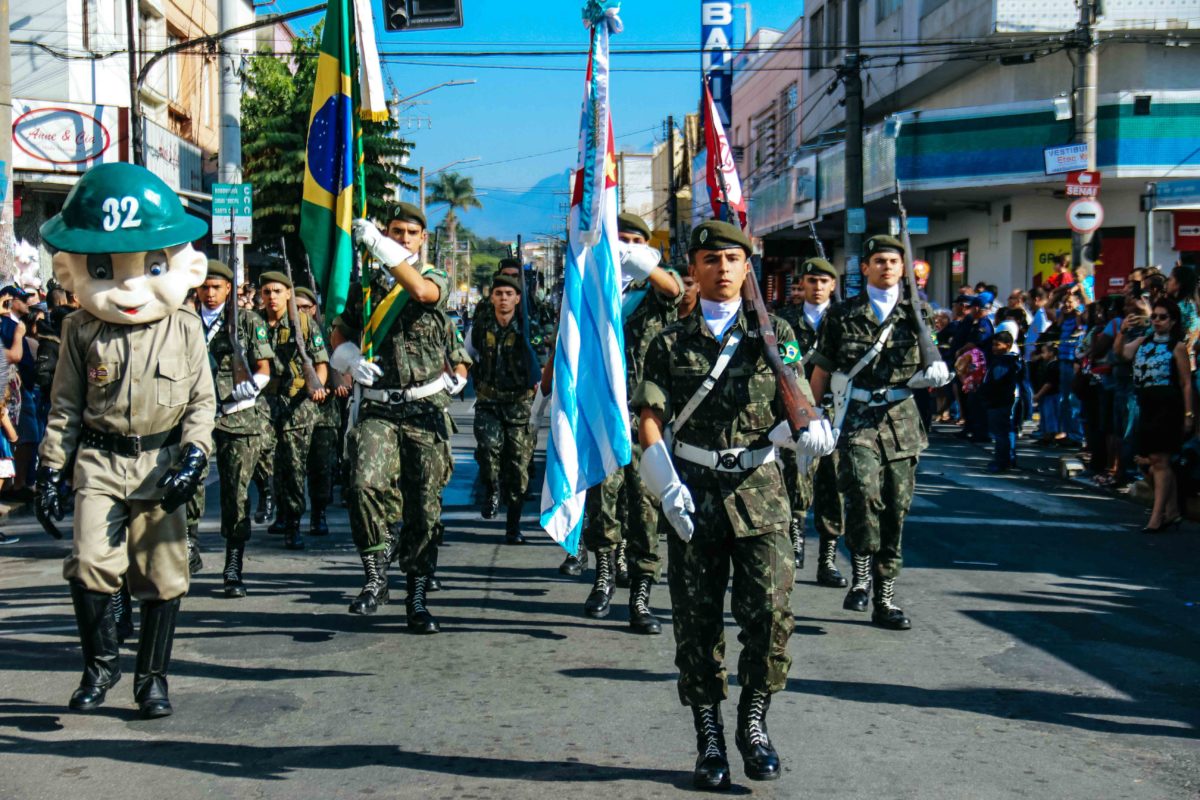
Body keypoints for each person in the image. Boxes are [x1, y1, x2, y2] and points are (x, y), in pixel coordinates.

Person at [632, 220, 834, 788]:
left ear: (748, 269)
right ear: (691, 271)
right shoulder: (669, 341)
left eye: (732, 259)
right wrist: (663, 481)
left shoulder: (775, 335)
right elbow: (649, 416)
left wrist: (808, 433)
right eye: (710, 260)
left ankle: (753, 722)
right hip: (693, 492)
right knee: (696, 628)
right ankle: (709, 738)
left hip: (761, 494)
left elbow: (798, 400)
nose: (722, 269)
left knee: (770, 618)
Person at [35, 162, 216, 718]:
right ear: (73, 272)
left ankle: (152, 679)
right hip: (101, 460)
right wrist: (48, 469)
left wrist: (195, 455)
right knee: (90, 561)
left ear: (183, 266)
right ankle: (100, 664)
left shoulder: (185, 328)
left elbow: (201, 403)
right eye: (104, 269)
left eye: (151, 265)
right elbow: (65, 405)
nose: (130, 285)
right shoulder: (78, 330)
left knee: (163, 576)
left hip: (162, 465)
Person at [333, 203, 466, 631]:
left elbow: (423, 295)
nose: (403, 238)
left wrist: (379, 245)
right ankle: (375, 574)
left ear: (422, 239)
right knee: (362, 483)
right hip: (379, 406)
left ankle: (418, 595)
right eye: (395, 231)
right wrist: (348, 358)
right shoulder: (367, 285)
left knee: (424, 509)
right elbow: (339, 329)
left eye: (410, 233)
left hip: (425, 410)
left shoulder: (434, 276)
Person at [810, 234, 951, 632]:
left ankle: (884, 598)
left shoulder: (918, 313)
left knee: (896, 506)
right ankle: (860, 575)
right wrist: (810, 417)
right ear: (866, 268)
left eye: (893, 261)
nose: (887, 267)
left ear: (903, 269)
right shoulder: (842, 315)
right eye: (879, 261)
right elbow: (821, 367)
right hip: (857, 416)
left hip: (902, 419)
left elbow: (932, 360)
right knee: (861, 491)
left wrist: (936, 375)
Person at [580, 212, 682, 634]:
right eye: (619, 240)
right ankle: (604, 576)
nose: (626, 245)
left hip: (645, 417)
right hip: (604, 412)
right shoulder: (592, 284)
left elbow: (674, 289)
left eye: (635, 240)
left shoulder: (652, 286)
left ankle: (641, 595)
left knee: (644, 508)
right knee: (602, 501)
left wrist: (640, 262)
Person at [194, 260, 274, 597]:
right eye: (204, 287)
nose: (210, 294)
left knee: (235, 494)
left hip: (238, 415)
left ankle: (232, 566)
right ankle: (187, 545)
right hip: (195, 416)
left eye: (217, 287)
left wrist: (253, 386)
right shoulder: (184, 322)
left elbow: (264, 367)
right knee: (189, 485)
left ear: (229, 289)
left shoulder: (247, 322)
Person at [786, 257, 848, 588]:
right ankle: (795, 537)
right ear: (803, 285)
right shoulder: (784, 320)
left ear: (833, 286)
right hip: (795, 410)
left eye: (824, 281)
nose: (818, 287)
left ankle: (827, 558)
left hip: (834, 410)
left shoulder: (844, 320)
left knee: (832, 483)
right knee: (794, 477)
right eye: (811, 281)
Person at [260, 270, 329, 550]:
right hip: (263, 402)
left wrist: (317, 387)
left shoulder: (303, 323)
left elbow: (321, 363)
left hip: (296, 403)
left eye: (278, 291)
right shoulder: (253, 322)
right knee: (266, 462)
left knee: (293, 465)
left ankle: (293, 522)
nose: (272, 297)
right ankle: (274, 505)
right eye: (267, 292)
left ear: (288, 293)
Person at [468, 273, 538, 545]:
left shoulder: (528, 326)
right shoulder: (482, 325)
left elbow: (542, 360)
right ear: (492, 297)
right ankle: (491, 487)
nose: (504, 298)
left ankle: (513, 526)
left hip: (519, 405)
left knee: (518, 469)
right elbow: (469, 354)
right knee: (487, 449)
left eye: (509, 294)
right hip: (488, 402)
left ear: (518, 298)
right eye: (499, 294)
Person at [1124, 299, 1194, 532]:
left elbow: (1185, 383)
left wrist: (1188, 413)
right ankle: (1172, 510)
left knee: (1160, 461)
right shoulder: (1144, 341)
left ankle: (1157, 516)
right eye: (1154, 316)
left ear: (1173, 321)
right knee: (1148, 461)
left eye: (1163, 317)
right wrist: (1121, 332)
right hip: (1146, 404)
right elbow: (1122, 354)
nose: (1157, 321)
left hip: (1168, 406)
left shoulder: (1177, 347)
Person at [296, 285, 345, 538]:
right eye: (297, 308)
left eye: (306, 307)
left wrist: (336, 382)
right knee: (289, 467)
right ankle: (288, 516)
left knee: (321, 466)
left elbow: (336, 363)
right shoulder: (285, 331)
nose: (301, 312)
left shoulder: (326, 333)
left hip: (324, 413)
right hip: (294, 411)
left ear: (314, 308)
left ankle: (318, 513)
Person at [981, 331, 1025, 472]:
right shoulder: (1011, 361)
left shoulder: (1005, 362)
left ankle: (1001, 462)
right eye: (993, 344)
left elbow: (996, 383)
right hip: (1007, 401)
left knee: (1000, 433)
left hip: (1001, 402)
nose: (994, 348)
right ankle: (1009, 459)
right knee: (1008, 431)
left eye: (997, 345)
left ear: (1008, 345)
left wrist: (986, 394)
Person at [1057, 289, 1087, 446]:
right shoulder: (1063, 317)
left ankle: (1076, 435)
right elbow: (1048, 307)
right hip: (1063, 360)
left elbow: (1088, 308)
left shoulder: (1080, 318)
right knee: (1064, 400)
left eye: (1071, 301)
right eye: (1065, 302)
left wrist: (1080, 289)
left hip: (1073, 362)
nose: (1067, 304)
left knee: (1073, 400)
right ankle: (1068, 432)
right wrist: (1062, 290)